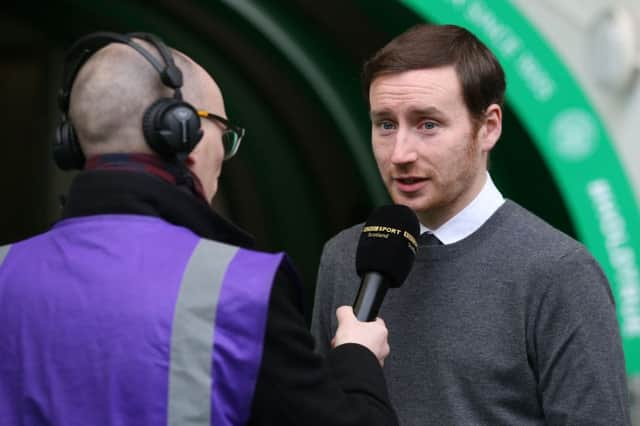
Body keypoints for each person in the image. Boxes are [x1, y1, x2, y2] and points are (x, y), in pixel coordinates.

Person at [0, 32, 398, 426]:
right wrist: (356, 357)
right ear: (181, 132)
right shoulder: (240, 289)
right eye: (223, 134)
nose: (223, 157)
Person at [311, 24, 631, 425]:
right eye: (386, 124)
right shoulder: (345, 257)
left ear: (489, 127)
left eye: (428, 124)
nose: (400, 153)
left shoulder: (558, 272)